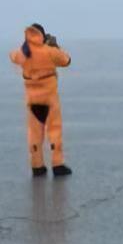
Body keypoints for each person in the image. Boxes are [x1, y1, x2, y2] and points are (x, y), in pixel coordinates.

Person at [9, 23, 72, 177]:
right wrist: (55, 46)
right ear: (42, 36)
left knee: (34, 134)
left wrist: (27, 46)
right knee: (54, 131)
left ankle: (37, 166)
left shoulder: (24, 53)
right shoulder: (49, 51)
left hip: (32, 101)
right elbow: (66, 61)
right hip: (49, 100)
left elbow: (13, 56)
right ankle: (57, 165)